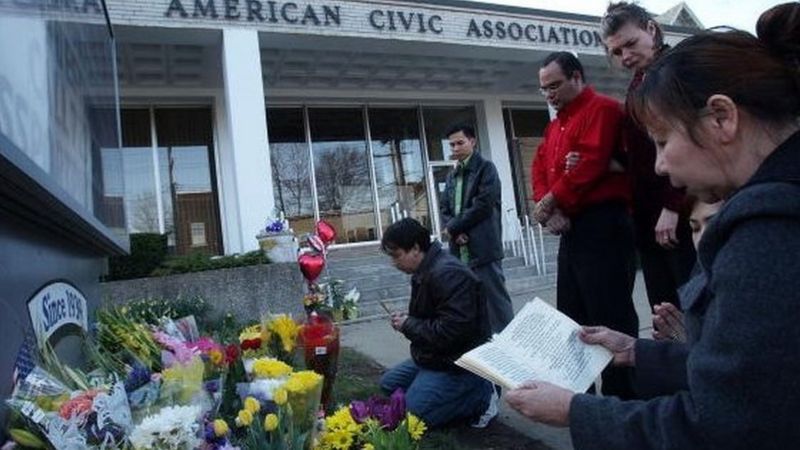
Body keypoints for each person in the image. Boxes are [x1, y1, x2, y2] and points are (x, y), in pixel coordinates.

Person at [506, 6, 800, 448]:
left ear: (721, 117)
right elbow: (755, 373)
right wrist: (638, 351)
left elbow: (725, 424)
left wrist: (577, 412)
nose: (660, 163)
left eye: (663, 141)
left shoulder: (766, 237)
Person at [531, 51, 639, 399]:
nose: (549, 94)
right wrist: (549, 206)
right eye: (544, 88)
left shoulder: (603, 110)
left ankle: (622, 400)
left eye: (555, 85)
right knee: (571, 317)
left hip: (604, 224)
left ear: (577, 77)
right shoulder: (555, 125)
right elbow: (540, 167)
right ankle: (579, 398)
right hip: (572, 228)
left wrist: (552, 199)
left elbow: (590, 163)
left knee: (608, 317)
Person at [600, 2, 697, 310]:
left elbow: (691, 142)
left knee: (688, 309)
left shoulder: (676, 71)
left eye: (630, 44)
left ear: (651, 30)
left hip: (678, 215)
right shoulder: (638, 84)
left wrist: (672, 205)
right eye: (616, 52)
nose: (625, 56)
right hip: (648, 217)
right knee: (664, 311)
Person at [378, 218, 495, 429]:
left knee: (410, 418)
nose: (394, 264)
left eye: (396, 256)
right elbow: (435, 317)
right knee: (388, 384)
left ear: (415, 248)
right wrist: (408, 321)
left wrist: (408, 325)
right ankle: (432, 389)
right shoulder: (427, 269)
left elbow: (453, 331)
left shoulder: (448, 273)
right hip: (436, 357)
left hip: (459, 364)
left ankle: (481, 396)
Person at [439, 124, 514, 334]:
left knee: (496, 301)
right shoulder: (452, 175)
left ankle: (509, 345)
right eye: (452, 144)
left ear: (473, 142)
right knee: (469, 301)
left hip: (484, 246)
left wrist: (454, 227)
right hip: (459, 249)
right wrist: (453, 229)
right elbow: (444, 207)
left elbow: (483, 204)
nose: (455, 148)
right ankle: (482, 346)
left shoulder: (486, 168)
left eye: (460, 143)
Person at [652, 198, 722, 342]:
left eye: (713, 223)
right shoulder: (699, 278)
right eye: (695, 228)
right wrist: (683, 338)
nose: (702, 237)